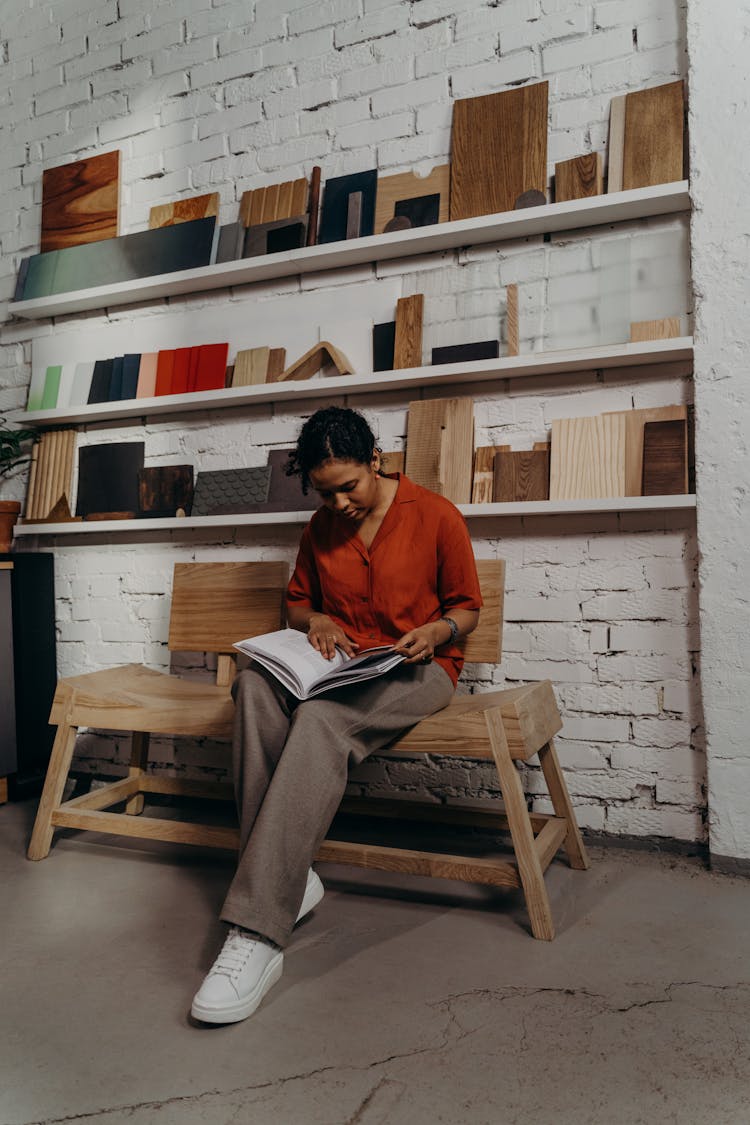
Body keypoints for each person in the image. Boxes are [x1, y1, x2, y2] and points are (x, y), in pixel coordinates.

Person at [191, 405, 482, 1024]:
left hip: (418, 670)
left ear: (376, 460)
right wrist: (315, 619)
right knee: (251, 690)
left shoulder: (435, 516)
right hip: (337, 668)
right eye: (326, 494)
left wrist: (437, 630)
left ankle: (257, 933)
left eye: (349, 486)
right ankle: (287, 880)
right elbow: (299, 604)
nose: (340, 504)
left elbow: (467, 608)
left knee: (320, 721)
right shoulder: (319, 529)